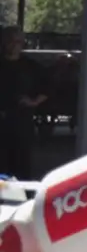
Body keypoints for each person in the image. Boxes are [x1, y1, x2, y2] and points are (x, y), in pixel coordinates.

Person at [0, 28, 46, 180]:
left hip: (21, 119)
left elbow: (47, 88)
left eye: (17, 41)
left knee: (21, 162)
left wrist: (33, 102)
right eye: (10, 41)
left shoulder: (31, 66)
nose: (13, 45)